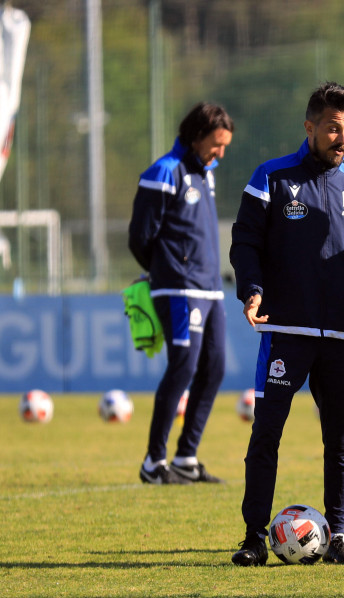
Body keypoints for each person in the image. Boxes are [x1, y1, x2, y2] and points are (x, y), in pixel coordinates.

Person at [228, 81, 344, 566]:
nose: (341, 138)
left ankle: (339, 535)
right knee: (266, 433)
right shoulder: (272, 178)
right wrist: (252, 289)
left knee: (341, 440)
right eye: (332, 128)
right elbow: (245, 242)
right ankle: (252, 537)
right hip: (286, 330)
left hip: (343, 337)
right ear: (309, 127)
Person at [128, 102, 234, 485]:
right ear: (196, 136)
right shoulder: (164, 172)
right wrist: (165, 274)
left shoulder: (206, 174)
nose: (220, 153)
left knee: (214, 368)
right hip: (178, 288)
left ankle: (186, 457)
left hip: (210, 288)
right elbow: (139, 237)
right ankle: (153, 462)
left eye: (225, 146)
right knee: (183, 367)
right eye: (216, 145)